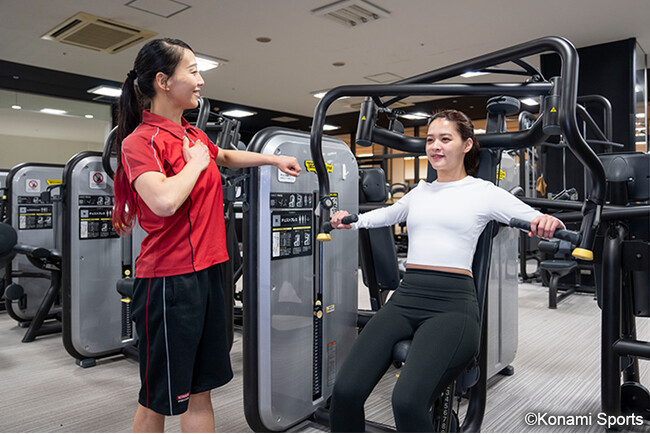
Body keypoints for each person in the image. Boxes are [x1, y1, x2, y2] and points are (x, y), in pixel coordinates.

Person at [328, 109, 563, 432]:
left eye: (445, 139)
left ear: (466, 145)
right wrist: (350, 220)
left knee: (407, 401)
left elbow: (533, 217)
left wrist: (548, 221)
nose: (435, 146)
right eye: (430, 140)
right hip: (406, 297)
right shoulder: (420, 192)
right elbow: (386, 214)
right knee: (345, 392)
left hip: (452, 305)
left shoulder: (483, 192)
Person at [111, 38, 301, 433]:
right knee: (158, 399)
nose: (200, 81)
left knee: (201, 391)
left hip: (211, 272)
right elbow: (164, 200)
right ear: (163, 81)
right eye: (193, 71)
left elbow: (226, 156)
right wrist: (195, 166)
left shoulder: (193, 136)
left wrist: (272, 158)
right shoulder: (139, 142)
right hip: (169, 280)